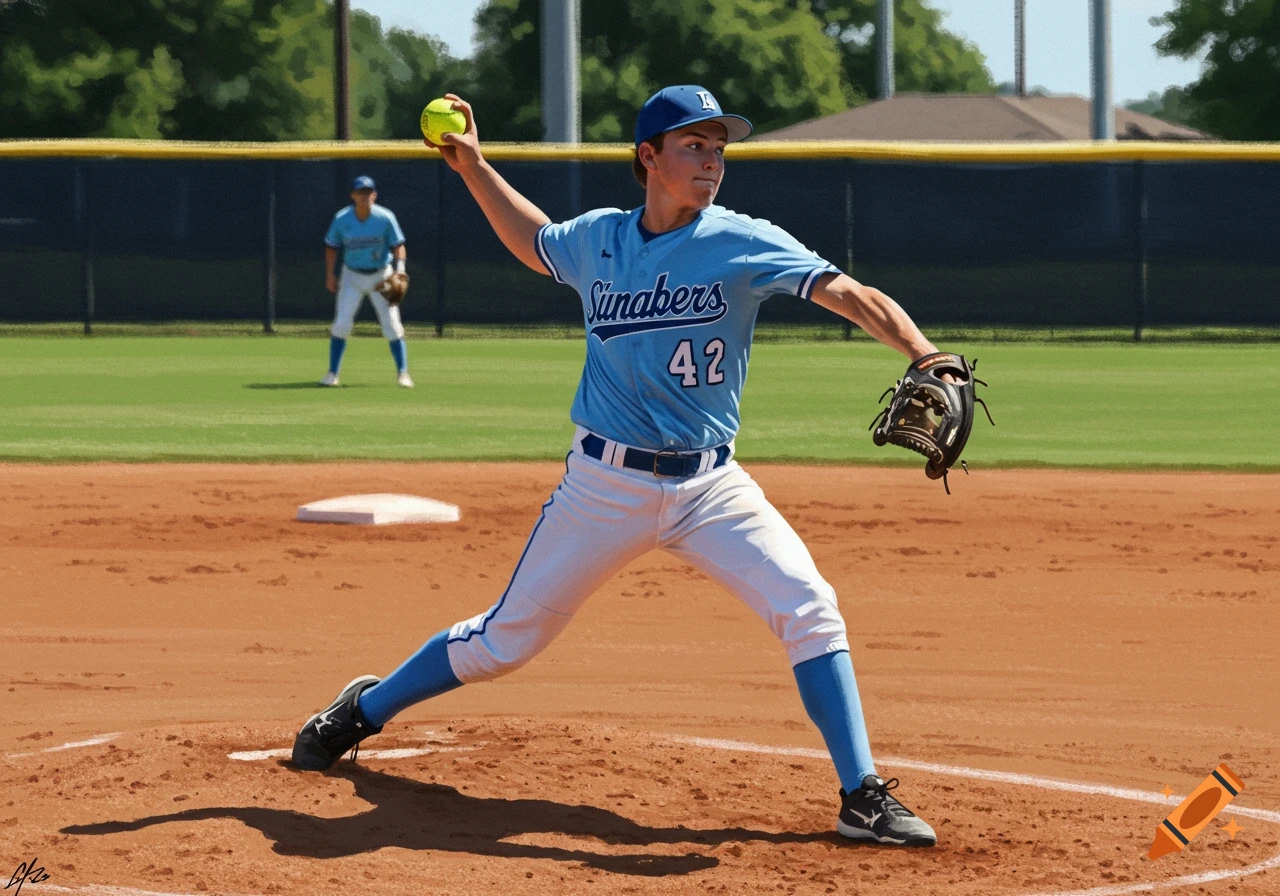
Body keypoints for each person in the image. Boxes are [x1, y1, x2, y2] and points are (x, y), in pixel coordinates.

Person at [293, 86, 941, 847]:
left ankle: (860, 794)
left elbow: (850, 293)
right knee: (505, 642)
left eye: (719, 148)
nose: (711, 163)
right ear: (648, 157)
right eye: (693, 146)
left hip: (711, 487)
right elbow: (536, 240)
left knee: (809, 606)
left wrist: (926, 354)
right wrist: (472, 166)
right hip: (604, 485)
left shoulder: (743, 240)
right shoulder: (600, 239)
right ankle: (363, 709)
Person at [321, 175, 413, 388]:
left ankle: (403, 373)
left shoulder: (385, 217)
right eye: (360, 192)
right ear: (352, 195)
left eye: (369, 192)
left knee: (391, 325)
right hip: (352, 275)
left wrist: (399, 271)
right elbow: (331, 247)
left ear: (375, 195)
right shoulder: (342, 219)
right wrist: (330, 274)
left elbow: (398, 245)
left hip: (380, 275)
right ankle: (332, 373)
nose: (365, 196)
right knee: (341, 324)